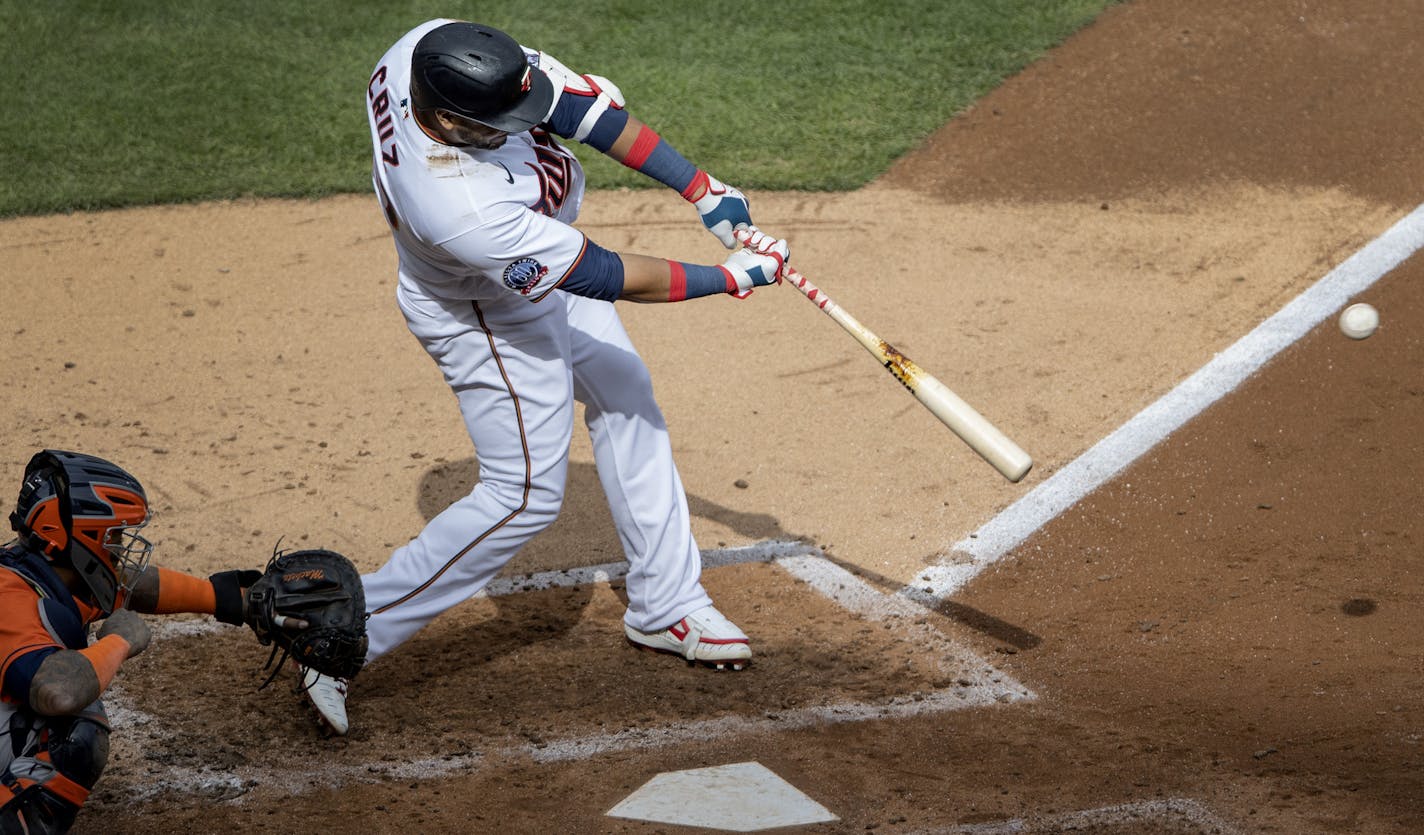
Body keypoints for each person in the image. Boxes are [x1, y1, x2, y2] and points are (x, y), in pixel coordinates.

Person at [299, 19, 791, 736]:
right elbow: (603, 275)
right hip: (489, 310)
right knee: (524, 494)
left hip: (532, 256)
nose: (516, 125)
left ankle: (666, 603)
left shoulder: (432, 47)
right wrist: (733, 276)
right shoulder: (456, 206)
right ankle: (342, 633)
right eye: (495, 123)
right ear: (443, 118)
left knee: (626, 395)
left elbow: (582, 111)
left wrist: (702, 187)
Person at [1, 450, 258, 834]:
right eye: (113, 537)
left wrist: (231, 600)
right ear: (75, 538)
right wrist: (119, 641)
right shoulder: (10, 596)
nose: (121, 548)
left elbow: (135, 584)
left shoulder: (42, 573)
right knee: (74, 724)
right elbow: (57, 691)